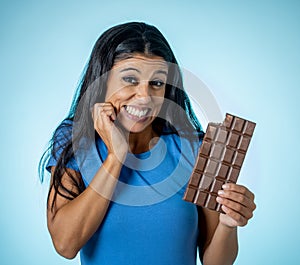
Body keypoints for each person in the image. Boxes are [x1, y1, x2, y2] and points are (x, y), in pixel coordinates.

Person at [39, 22, 256, 265]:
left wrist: (228, 224)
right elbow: (65, 244)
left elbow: (216, 262)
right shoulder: (74, 141)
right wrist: (116, 157)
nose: (144, 97)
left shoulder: (196, 149)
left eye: (157, 83)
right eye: (130, 79)